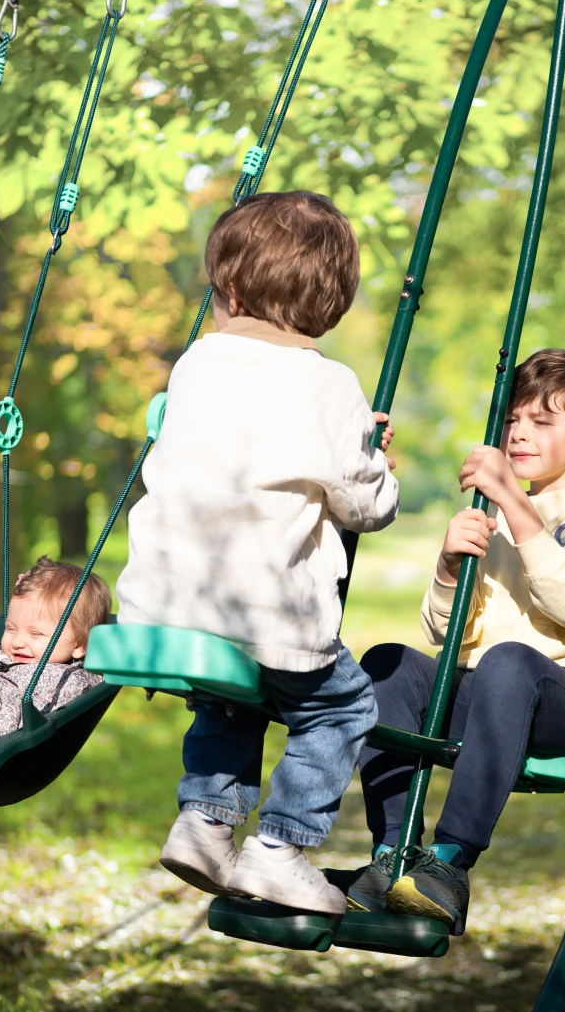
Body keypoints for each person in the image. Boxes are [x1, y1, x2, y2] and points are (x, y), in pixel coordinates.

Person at [116, 191, 399, 915]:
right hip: (267, 609)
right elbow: (366, 505)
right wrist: (372, 457)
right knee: (340, 708)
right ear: (329, 305)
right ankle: (281, 845)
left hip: (166, 602)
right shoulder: (330, 384)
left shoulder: (195, 367)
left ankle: (205, 821)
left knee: (234, 696)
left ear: (231, 288)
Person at [345, 349, 565, 936]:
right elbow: (444, 632)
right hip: (483, 691)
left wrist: (513, 500)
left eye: (541, 421)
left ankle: (450, 865)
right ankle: (393, 852)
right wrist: (449, 568)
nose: (519, 433)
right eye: (513, 420)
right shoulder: (493, 516)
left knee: (510, 664)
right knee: (386, 663)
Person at [0, 557, 112, 737]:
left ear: (80, 645)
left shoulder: (67, 681)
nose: (17, 642)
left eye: (35, 634)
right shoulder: (1, 654)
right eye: (10, 628)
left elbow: (34, 728)